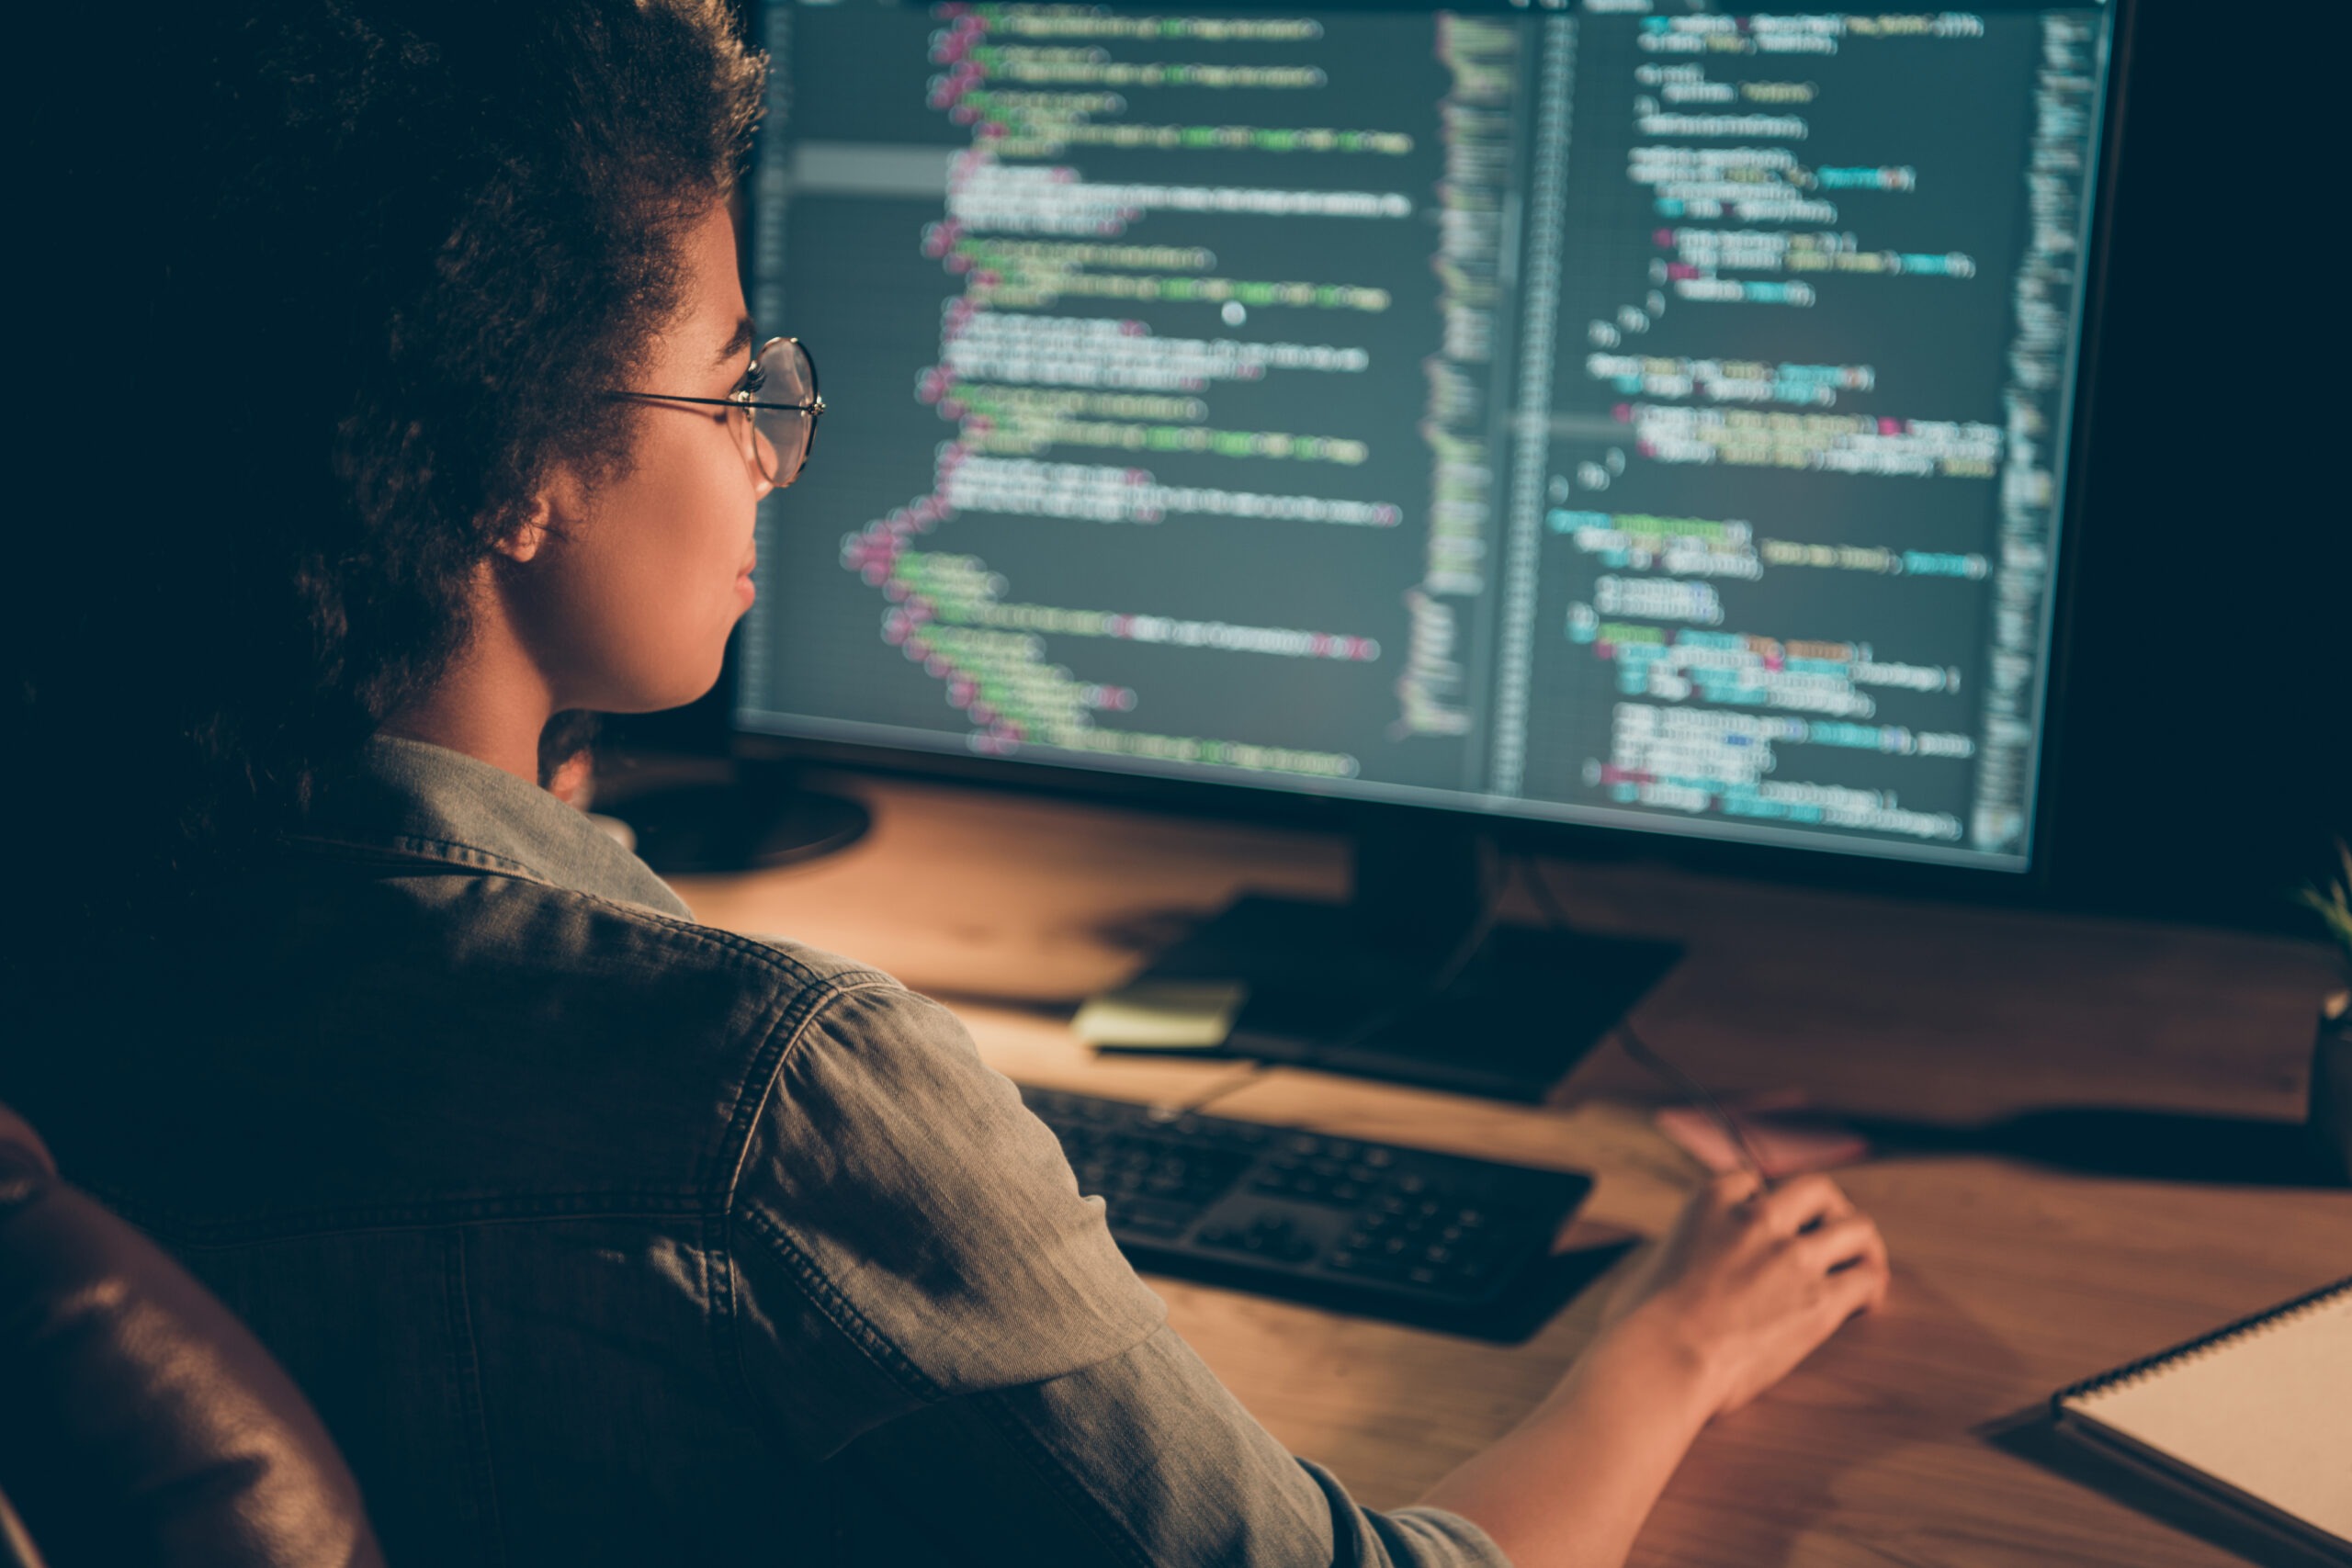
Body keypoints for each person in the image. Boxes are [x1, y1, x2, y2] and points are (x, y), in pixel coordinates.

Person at [4, 3, 1889, 1563]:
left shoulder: (69, 947)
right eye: (731, 386)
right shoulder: (776, 1092)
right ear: (510, 470)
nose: (765, 454)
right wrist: (1670, 1339)